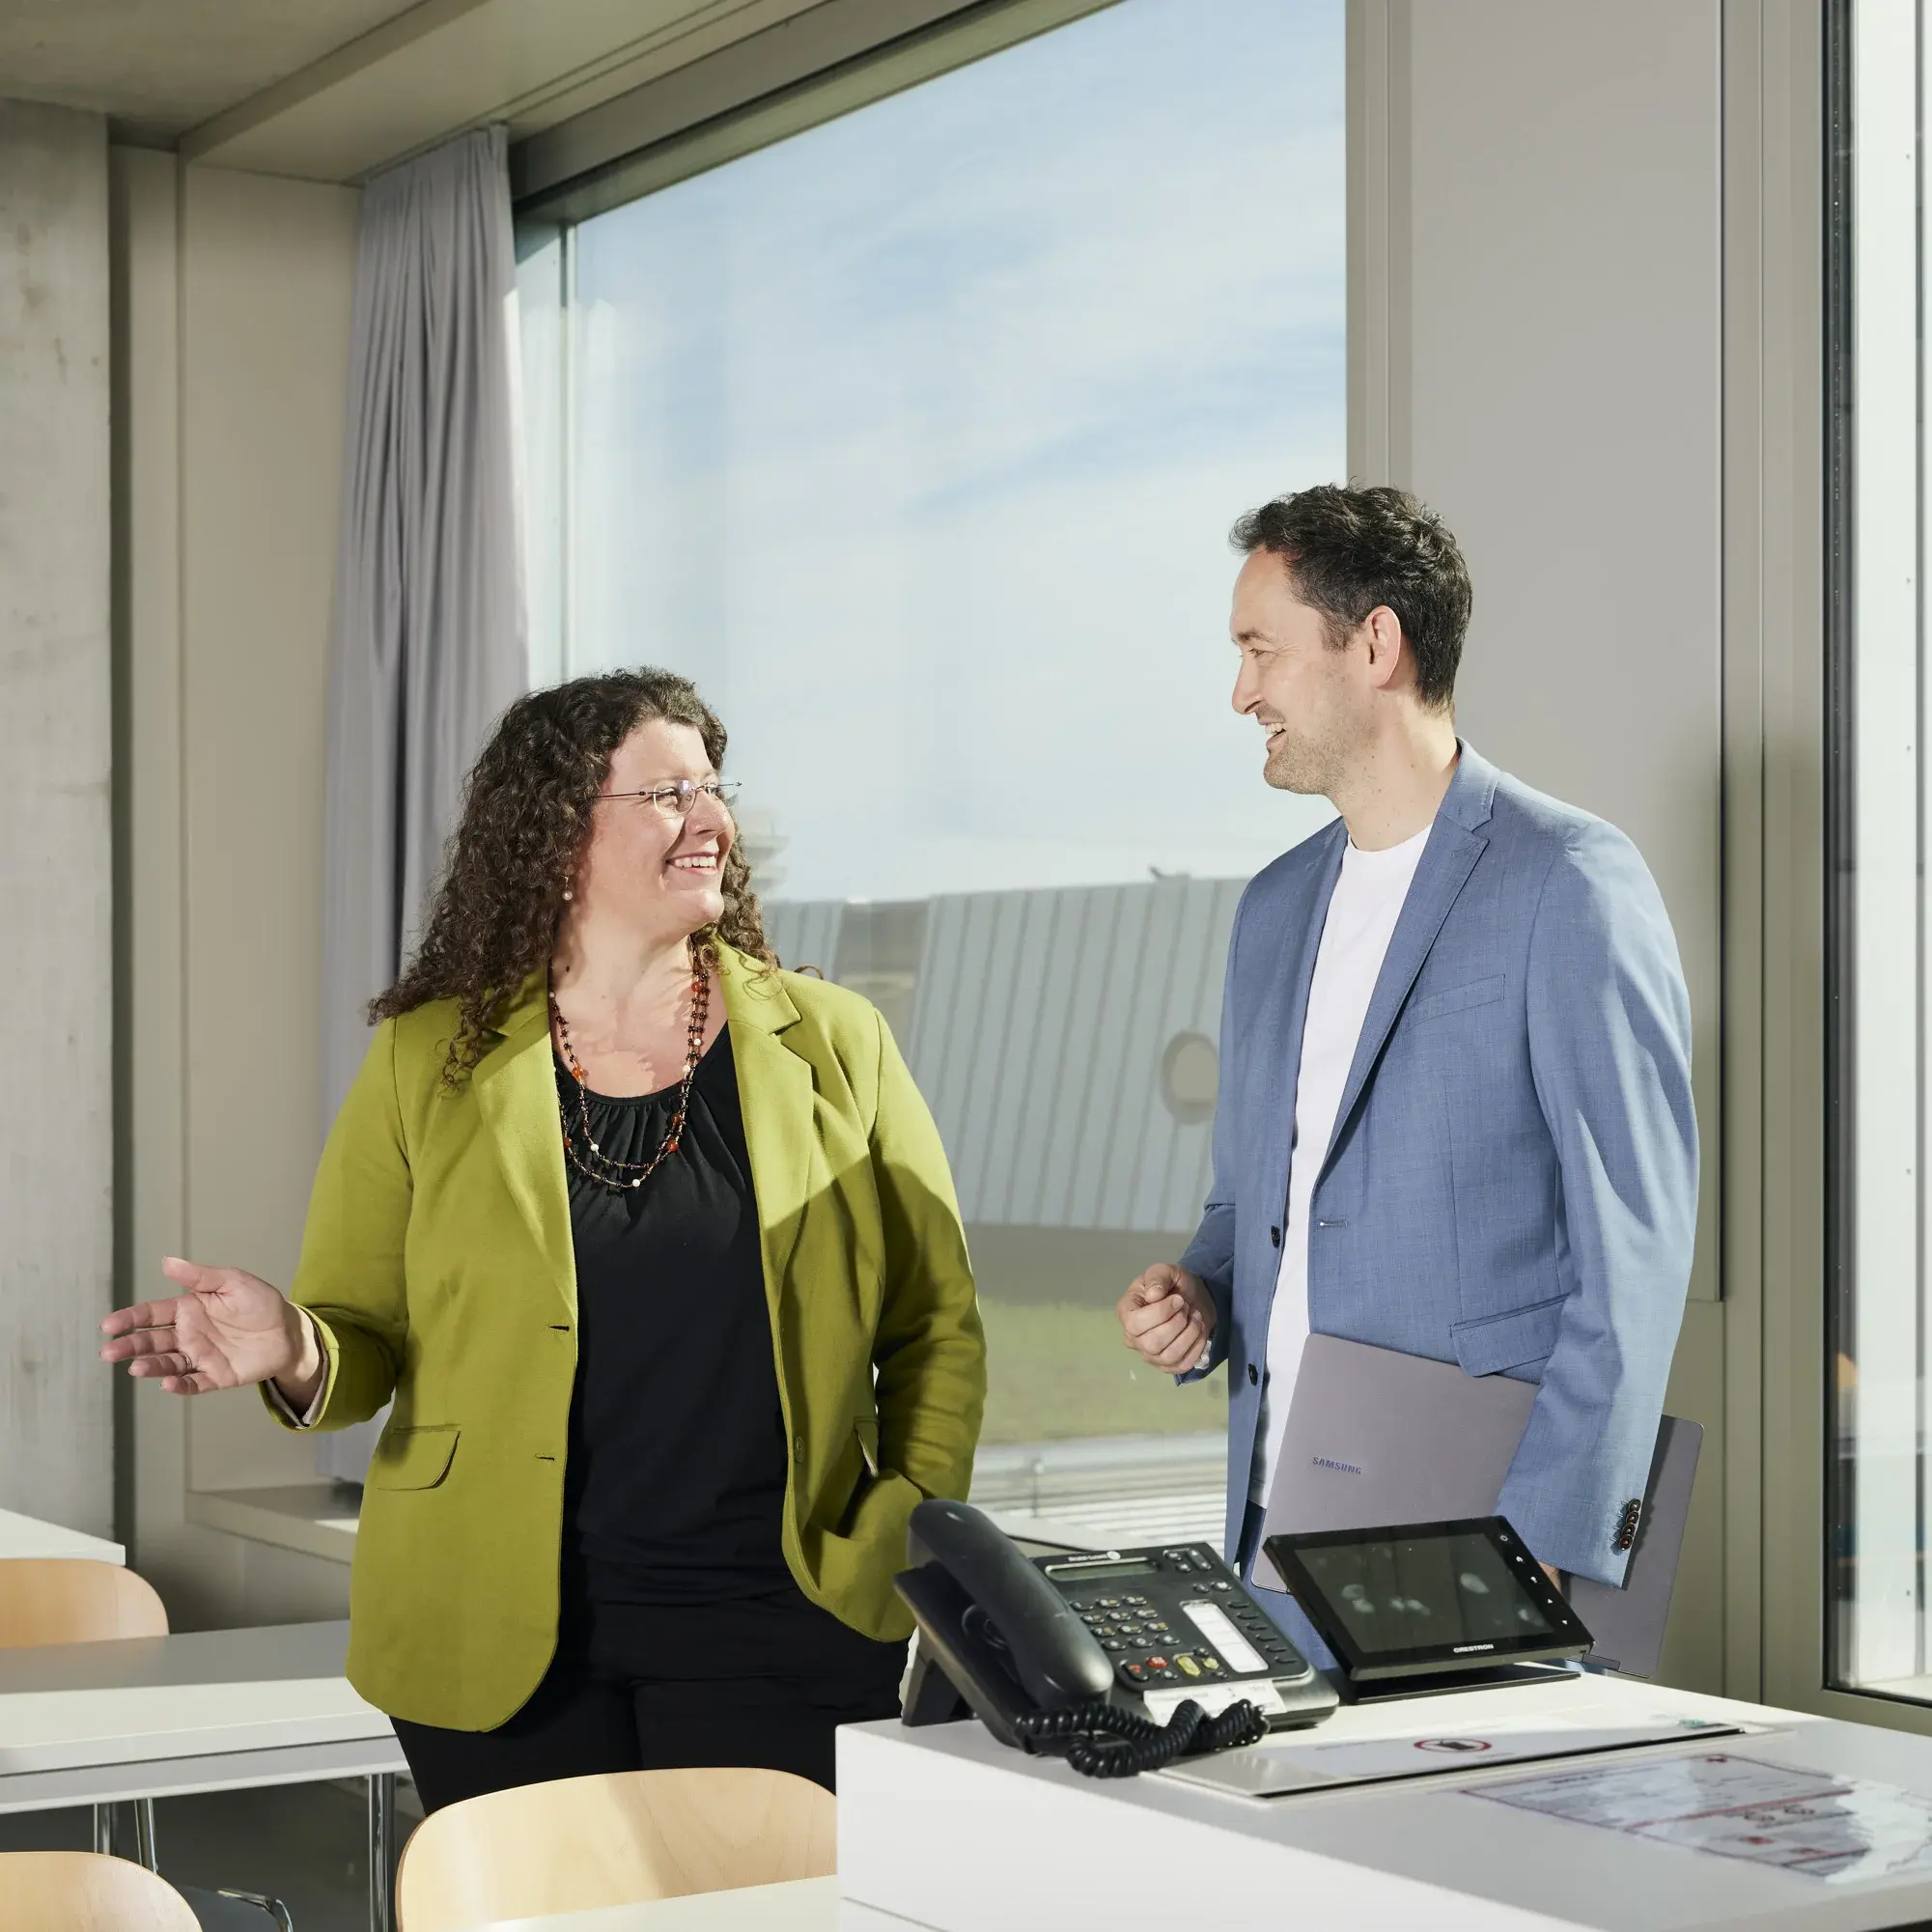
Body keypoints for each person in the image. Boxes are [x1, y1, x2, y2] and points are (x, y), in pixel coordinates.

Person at [102, 668, 986, 1809]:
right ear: (561, 826)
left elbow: (937, 1322)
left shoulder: (836, 1042)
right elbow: (362, 1332)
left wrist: (903, 1518)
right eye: (669, 794)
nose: (712, 822)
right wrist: (296, 1347)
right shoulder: (430, 1058)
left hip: (782, 1624)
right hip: (494, 1635)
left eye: (713, 792)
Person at [1115, 484, 1695, 1657]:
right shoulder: (1274, 910)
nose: (1241, 693)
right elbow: (1249, 1201)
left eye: (1259, 651)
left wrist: (1536, 1540)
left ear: (1373, 643)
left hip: (1484, 1538)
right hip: (1271, 1538)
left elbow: (1634, 1250)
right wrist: (1201, 1291)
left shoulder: (1568, 881)